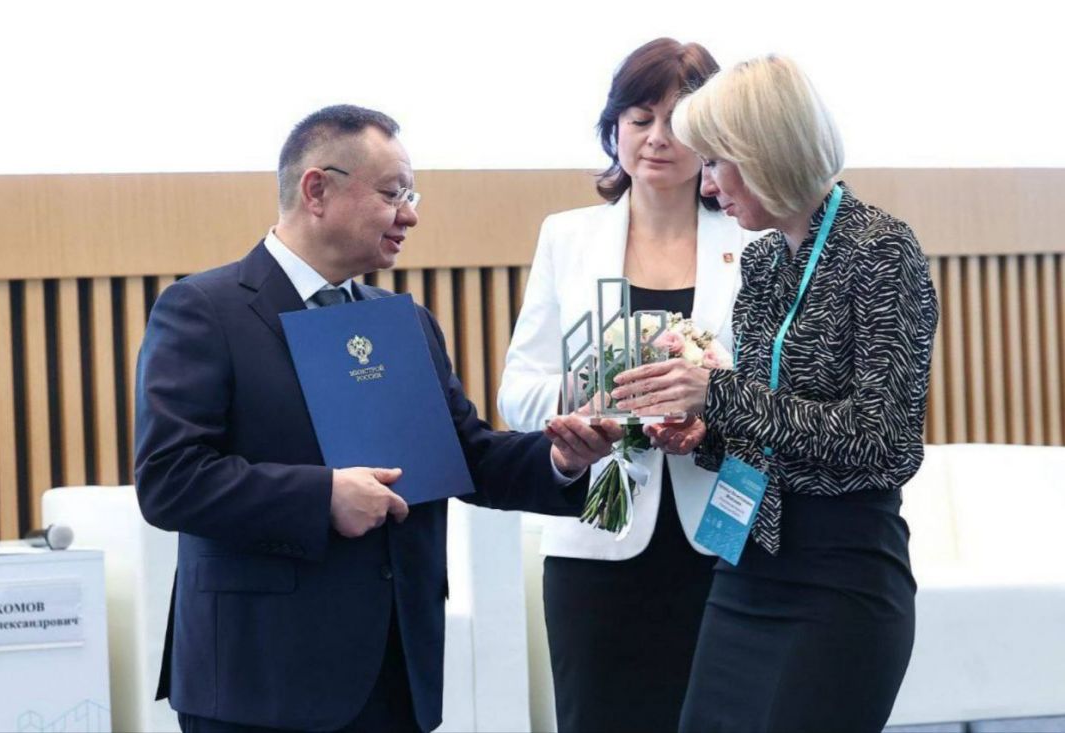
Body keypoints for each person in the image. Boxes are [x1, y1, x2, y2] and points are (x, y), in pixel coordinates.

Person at [134, 104, 620, 733]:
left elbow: (464, 454)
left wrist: (560, 458)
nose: (410, 214)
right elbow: (171, 479)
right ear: (317, 190)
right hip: (261, 677)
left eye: (411, 196)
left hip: (394, 670)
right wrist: (323, 496)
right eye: (394, 194)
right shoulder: (204, 309)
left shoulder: (403, 320)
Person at [611, 55, 939, 733]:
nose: (707, 185)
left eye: (715, 163)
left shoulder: (881, 249)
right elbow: (771, 418)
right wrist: (704, 434)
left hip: (840, 573)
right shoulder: (761, 258)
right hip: (748, 558)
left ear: (763, 153)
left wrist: (718, 396)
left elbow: (884, 440)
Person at [497, 38, 760, 733]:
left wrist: (710, 408)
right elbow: (517, 393)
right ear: (613, 127)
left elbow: (777, 390)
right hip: (598, 542)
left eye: (678, 120)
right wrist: (599, 398)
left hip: (724, 532)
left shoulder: (755, 243)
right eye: (640, 118)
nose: (657, 137)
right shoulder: (567, 238)